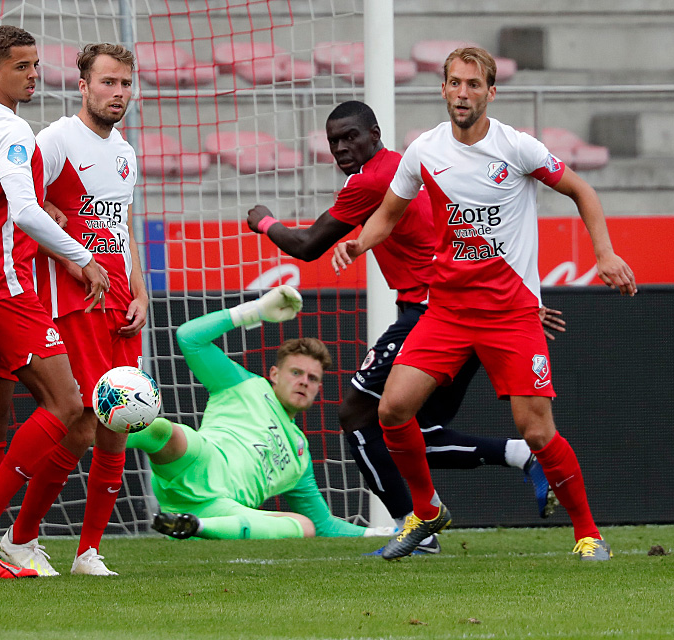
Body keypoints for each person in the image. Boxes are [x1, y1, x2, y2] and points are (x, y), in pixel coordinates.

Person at [331, 47, 636, 561]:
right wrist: (360, 242)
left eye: (474, 84)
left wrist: (604, 254)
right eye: (455, 83)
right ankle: (426, 513)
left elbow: (581, 189)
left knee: (536, 430)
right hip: (446, 311)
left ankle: (588, 533)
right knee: (393, 409)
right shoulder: (424, 150)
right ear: (443, 89)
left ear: (491, 92)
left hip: (512, 314)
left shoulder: (516, 147)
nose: (463, 93)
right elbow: (388, 212)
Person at [247, 101, 558, 553]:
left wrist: (263, 220)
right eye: (334, 141)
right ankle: (519, 455)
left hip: (432, 313)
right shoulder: (400, 169)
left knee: (357, 413)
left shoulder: (373, 179)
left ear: (375, 133)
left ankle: (414, 524)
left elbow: (308, 245)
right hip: (467, 307)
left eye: (351, 136)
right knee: (412, 432)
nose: (342, 147)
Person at [0, 26, 109, 582]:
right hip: (2, 280)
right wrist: (81, 256)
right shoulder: (14, 130)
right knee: (66, 404)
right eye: (21, 66)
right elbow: (21, 210)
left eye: (36, 65)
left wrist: (44, 211)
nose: (33, 75)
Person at [0, 43, 145, 577]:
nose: (118, 93)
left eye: (125, 83)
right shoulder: (55, 140)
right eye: (108, 82)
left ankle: (87, 552)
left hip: (121, 302)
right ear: (83, 86)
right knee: (80, 424)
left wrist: (141, 292)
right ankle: (19, 539)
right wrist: (53, 213)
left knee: (117, 425)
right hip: (73, 301)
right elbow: (21, 205)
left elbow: (122, 227)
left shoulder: (125, 151)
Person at [131, 285, 388, 541]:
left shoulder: (300, 458)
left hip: (225, 510)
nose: (303, 382)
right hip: (200, 462)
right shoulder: (245, 383)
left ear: (319, 388)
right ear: (275, 374)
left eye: (312, 378)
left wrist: (377, 533)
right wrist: (255, 311)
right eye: (296, 373)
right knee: (166, 431)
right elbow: (190, 337)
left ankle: (193, 526)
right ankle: (96, 435)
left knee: (306, 526)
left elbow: (324, 526)